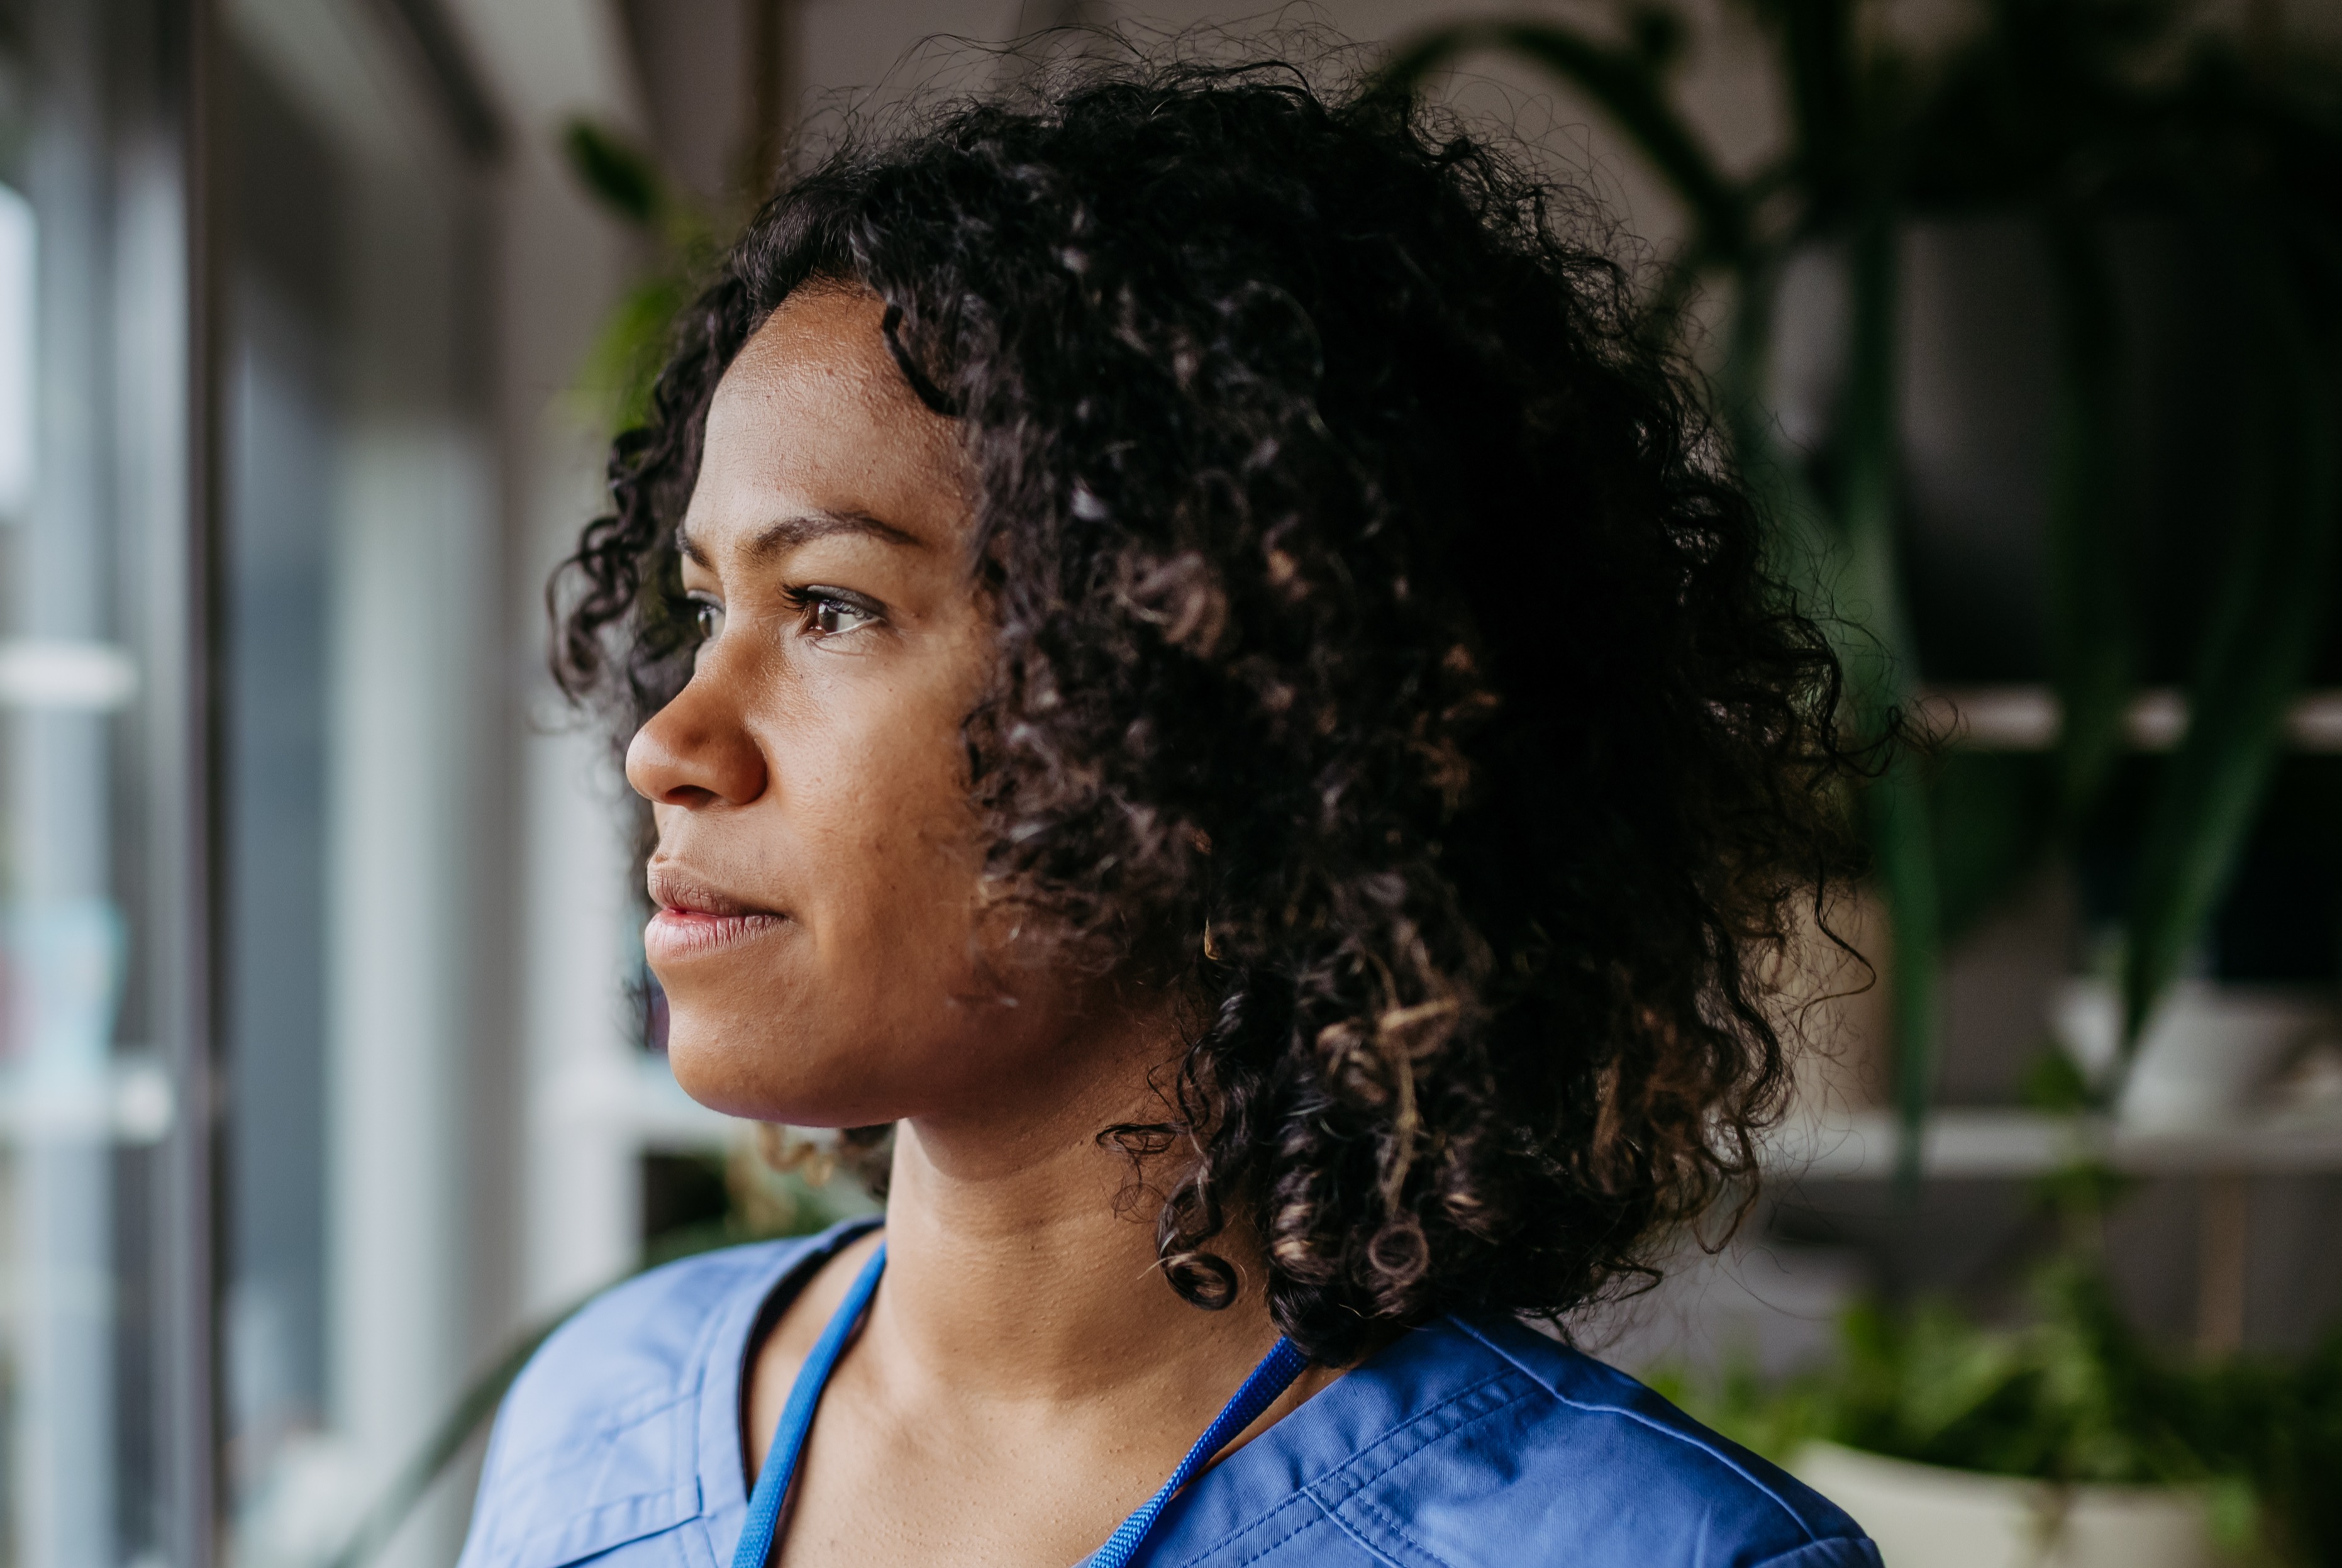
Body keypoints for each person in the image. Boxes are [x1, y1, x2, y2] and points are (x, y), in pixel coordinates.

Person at [458, 52, 1882, 1568]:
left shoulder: (1646, 1555)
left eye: (828, 605)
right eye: (701, 605)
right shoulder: (594, 1418)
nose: (667, 742)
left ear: (1219, 723)